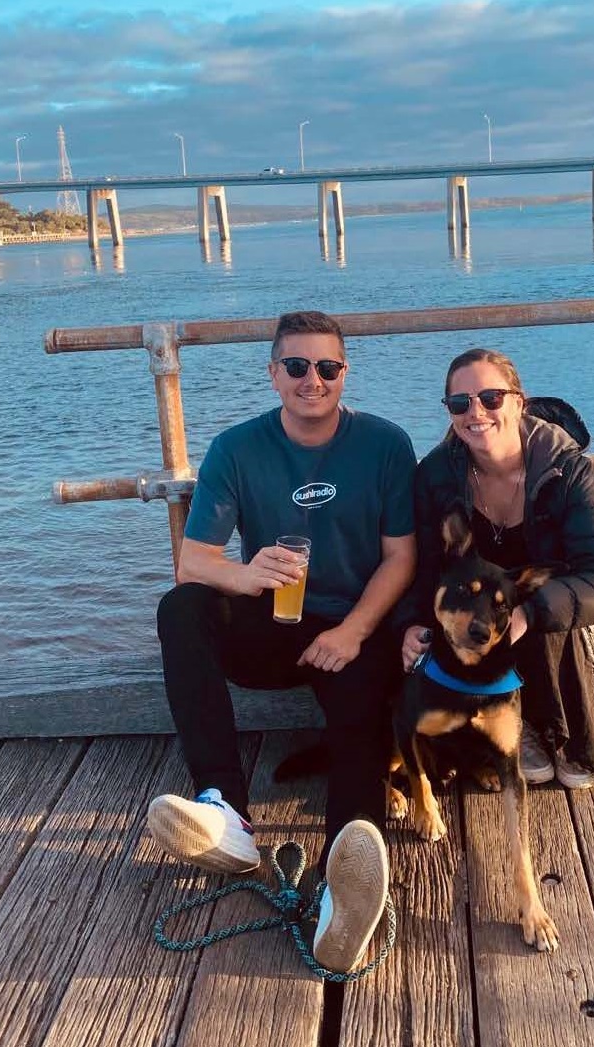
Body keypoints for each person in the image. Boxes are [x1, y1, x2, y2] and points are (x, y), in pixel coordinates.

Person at [148, 310, 417, 974]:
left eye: (326, 367)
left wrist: (354, 631)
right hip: (271, 626)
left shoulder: (384, 444)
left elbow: (401, 555)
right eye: (296, 366)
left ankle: (343, 883)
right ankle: (227, 811)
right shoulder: (238, 448)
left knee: (359, 723)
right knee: (181, 608)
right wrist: (244, 573)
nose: (312, 380)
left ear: (343, 373)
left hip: (351, 628)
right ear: (273, 374)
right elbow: (194, 560)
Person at [401, 348, 594, 788]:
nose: (476, 412)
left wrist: (527, 614)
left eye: (491, 397)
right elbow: (422, 566)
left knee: (540, 609)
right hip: (482, 625)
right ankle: (509, 731)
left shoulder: (567, 472)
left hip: (570, 633)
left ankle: (560, 733)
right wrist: (408, 625)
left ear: (519, 402)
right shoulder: (437, 476)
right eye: (460, 403)